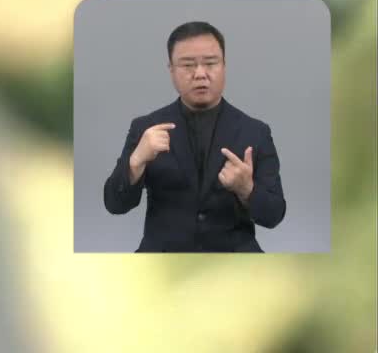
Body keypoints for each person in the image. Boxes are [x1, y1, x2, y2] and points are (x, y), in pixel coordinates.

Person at [101, 20, 287, 251]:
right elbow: (115, 204)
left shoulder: (256, 132)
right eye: (187, 65)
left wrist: (246, 189)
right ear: (171, 69)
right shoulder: (145, 129)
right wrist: (135, 162)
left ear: (224, 65)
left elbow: (275, 215)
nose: (200, 74)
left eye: (210, 63)